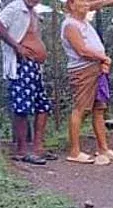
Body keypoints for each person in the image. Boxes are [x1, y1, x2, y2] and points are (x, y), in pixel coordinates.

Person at [62, 0, 113, 165]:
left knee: (99, 108)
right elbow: (82, 50)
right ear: (71, 5)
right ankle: (74, 151)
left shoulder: (85, 23)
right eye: (82, 1)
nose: (87, 4)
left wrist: (103, 62)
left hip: (97, 69)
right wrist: (104, 58)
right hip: (83, 71)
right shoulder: (70, 25)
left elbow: (100, 4)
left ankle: (103, 147)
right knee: (81, 108)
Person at [1, 0, 51, 167]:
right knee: (22, 105)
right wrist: (16, 46)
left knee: (42, 105)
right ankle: (22, 151)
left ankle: (38, 147)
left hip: (36, 65)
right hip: (22, 64)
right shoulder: (15, 7)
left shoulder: (33, 12)